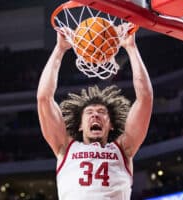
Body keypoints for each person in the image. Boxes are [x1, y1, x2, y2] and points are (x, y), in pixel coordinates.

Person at [37, 27, 153, 200]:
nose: (95, 115)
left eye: (101, 112)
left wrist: (131, 47)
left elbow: (145, 98)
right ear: (80, 125)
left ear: (111, 124)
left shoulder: (123, 149)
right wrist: (59, 49)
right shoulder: (65, 148)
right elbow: (44, 98)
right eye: (89, 112)